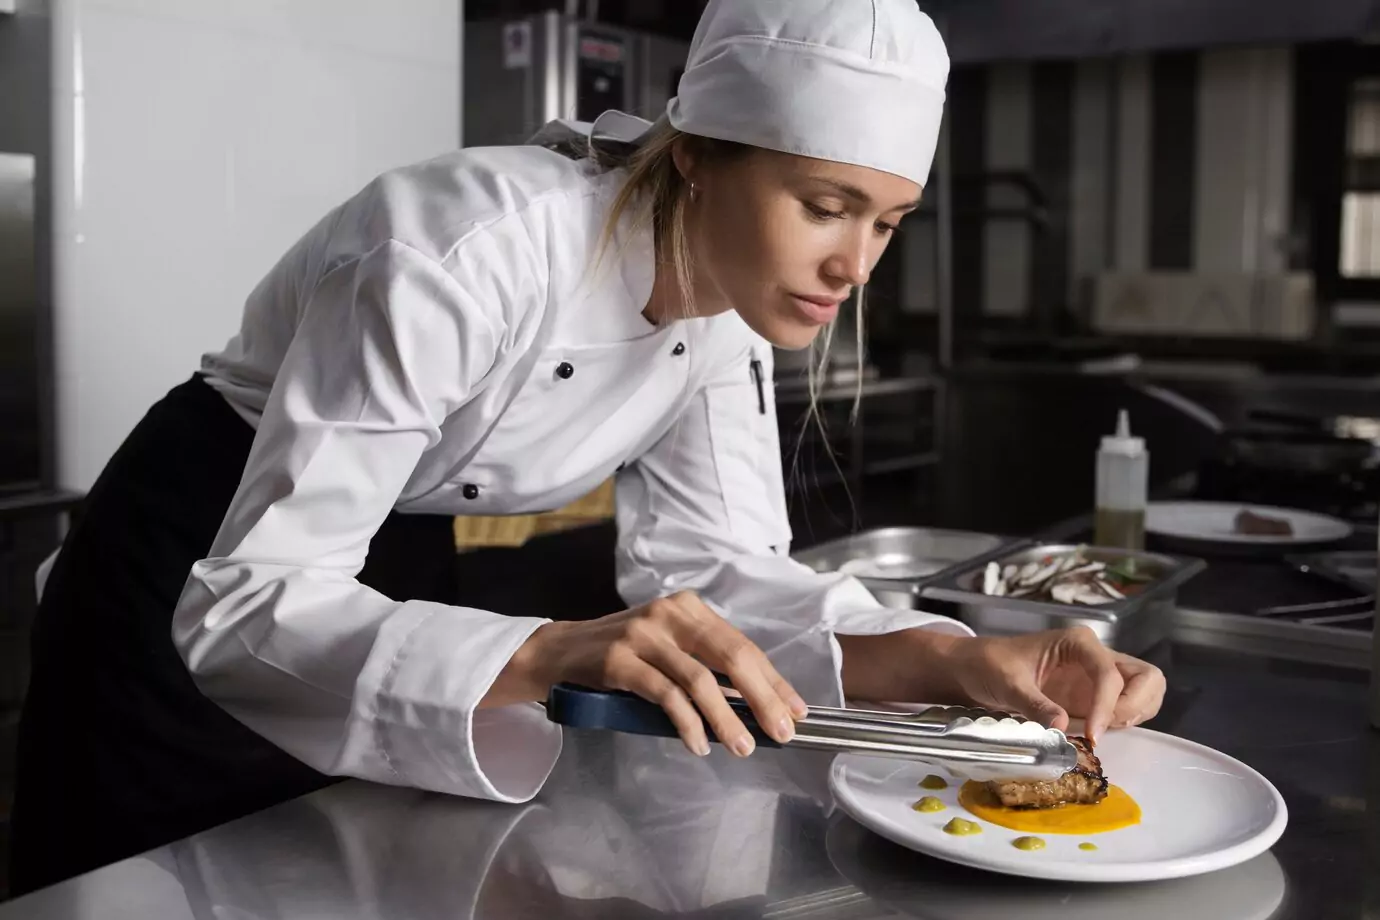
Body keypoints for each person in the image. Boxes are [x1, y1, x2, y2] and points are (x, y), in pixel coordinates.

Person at [10, 0, 1166, 895]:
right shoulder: (457, 251)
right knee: (142, 883)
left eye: (885, 220)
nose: (856, 265)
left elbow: (718, 573)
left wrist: (952, 660)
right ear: (701, 154)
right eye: (824, 204)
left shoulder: (727, 308)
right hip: (196, 557)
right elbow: (249, 602)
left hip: (391, 568)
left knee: (316, 870)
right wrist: (555, 649)